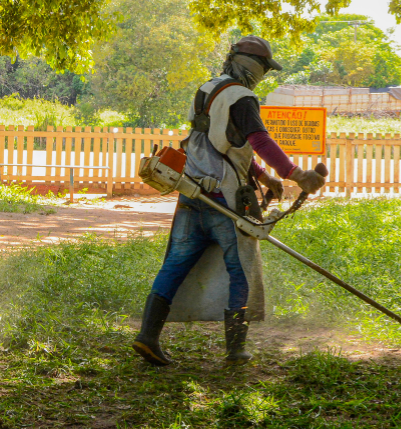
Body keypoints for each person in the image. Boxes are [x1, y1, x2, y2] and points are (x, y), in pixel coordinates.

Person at [132, 36, 326, 367]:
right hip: (225, 200)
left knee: (175, 264)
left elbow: (223, 142)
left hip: (192, 193)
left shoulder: (206, 90)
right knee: (241, 271)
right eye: (265, 68)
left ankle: (147, 337)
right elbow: (258, 140)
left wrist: (264, 178)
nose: (264, 74)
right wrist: (295, 173)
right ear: (253, 66)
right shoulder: (243, 97)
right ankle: (236, 349)